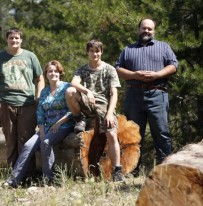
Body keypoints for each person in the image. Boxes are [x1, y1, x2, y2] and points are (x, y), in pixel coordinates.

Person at [115, 17, 178, 173]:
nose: (147, 31)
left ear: (154, 31)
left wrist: (157, 75)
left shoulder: (163, 47)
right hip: (134, 95)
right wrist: (135, 74)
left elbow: (174, 65)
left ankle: (165, 170)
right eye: (144, 28)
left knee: (162, 133)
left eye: (150, 29)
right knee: (133, 135)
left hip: (157, 94)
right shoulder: (128, 49)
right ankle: (133, 170)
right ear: (139, 29)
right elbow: (118, 69)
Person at [0, 27, 45, 170]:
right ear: (7, 40)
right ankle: (14, 174)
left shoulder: (30, 57)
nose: (14, 40)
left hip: (27, 103)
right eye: (11, 38)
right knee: (10, 140)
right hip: (6, 104)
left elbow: (40, 78)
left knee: (26, 139)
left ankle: (27, 175)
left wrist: (39, 96)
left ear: (21, 40)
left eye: (17, 38)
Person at [6, 60, 74, 187]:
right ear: (46, 74)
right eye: (50, 71)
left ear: (60, 73)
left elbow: (73, 111)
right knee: (28, 145)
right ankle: (14, 180)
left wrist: (58, 123)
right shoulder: (44, 92)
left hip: (63, 125)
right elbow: (40, 113)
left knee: (46, 143)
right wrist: (41, 130)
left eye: (55, 71)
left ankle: (49, 179)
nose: (53, 73)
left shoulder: (68, 87)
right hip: (46, 126)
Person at [65, 40, 124, 182]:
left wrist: (110, 113)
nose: (95, 54)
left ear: (101, 52)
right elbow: (73, 83)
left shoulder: (109, 69)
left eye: (97, 51)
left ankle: (117, 170)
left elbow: (114, 93)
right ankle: (79, 118)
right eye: (92, 51)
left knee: (111, 133)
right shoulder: (82, 70)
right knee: (70, 91)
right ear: (88, 52)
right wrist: (87, 92)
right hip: (87, 102)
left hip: (104, 105)